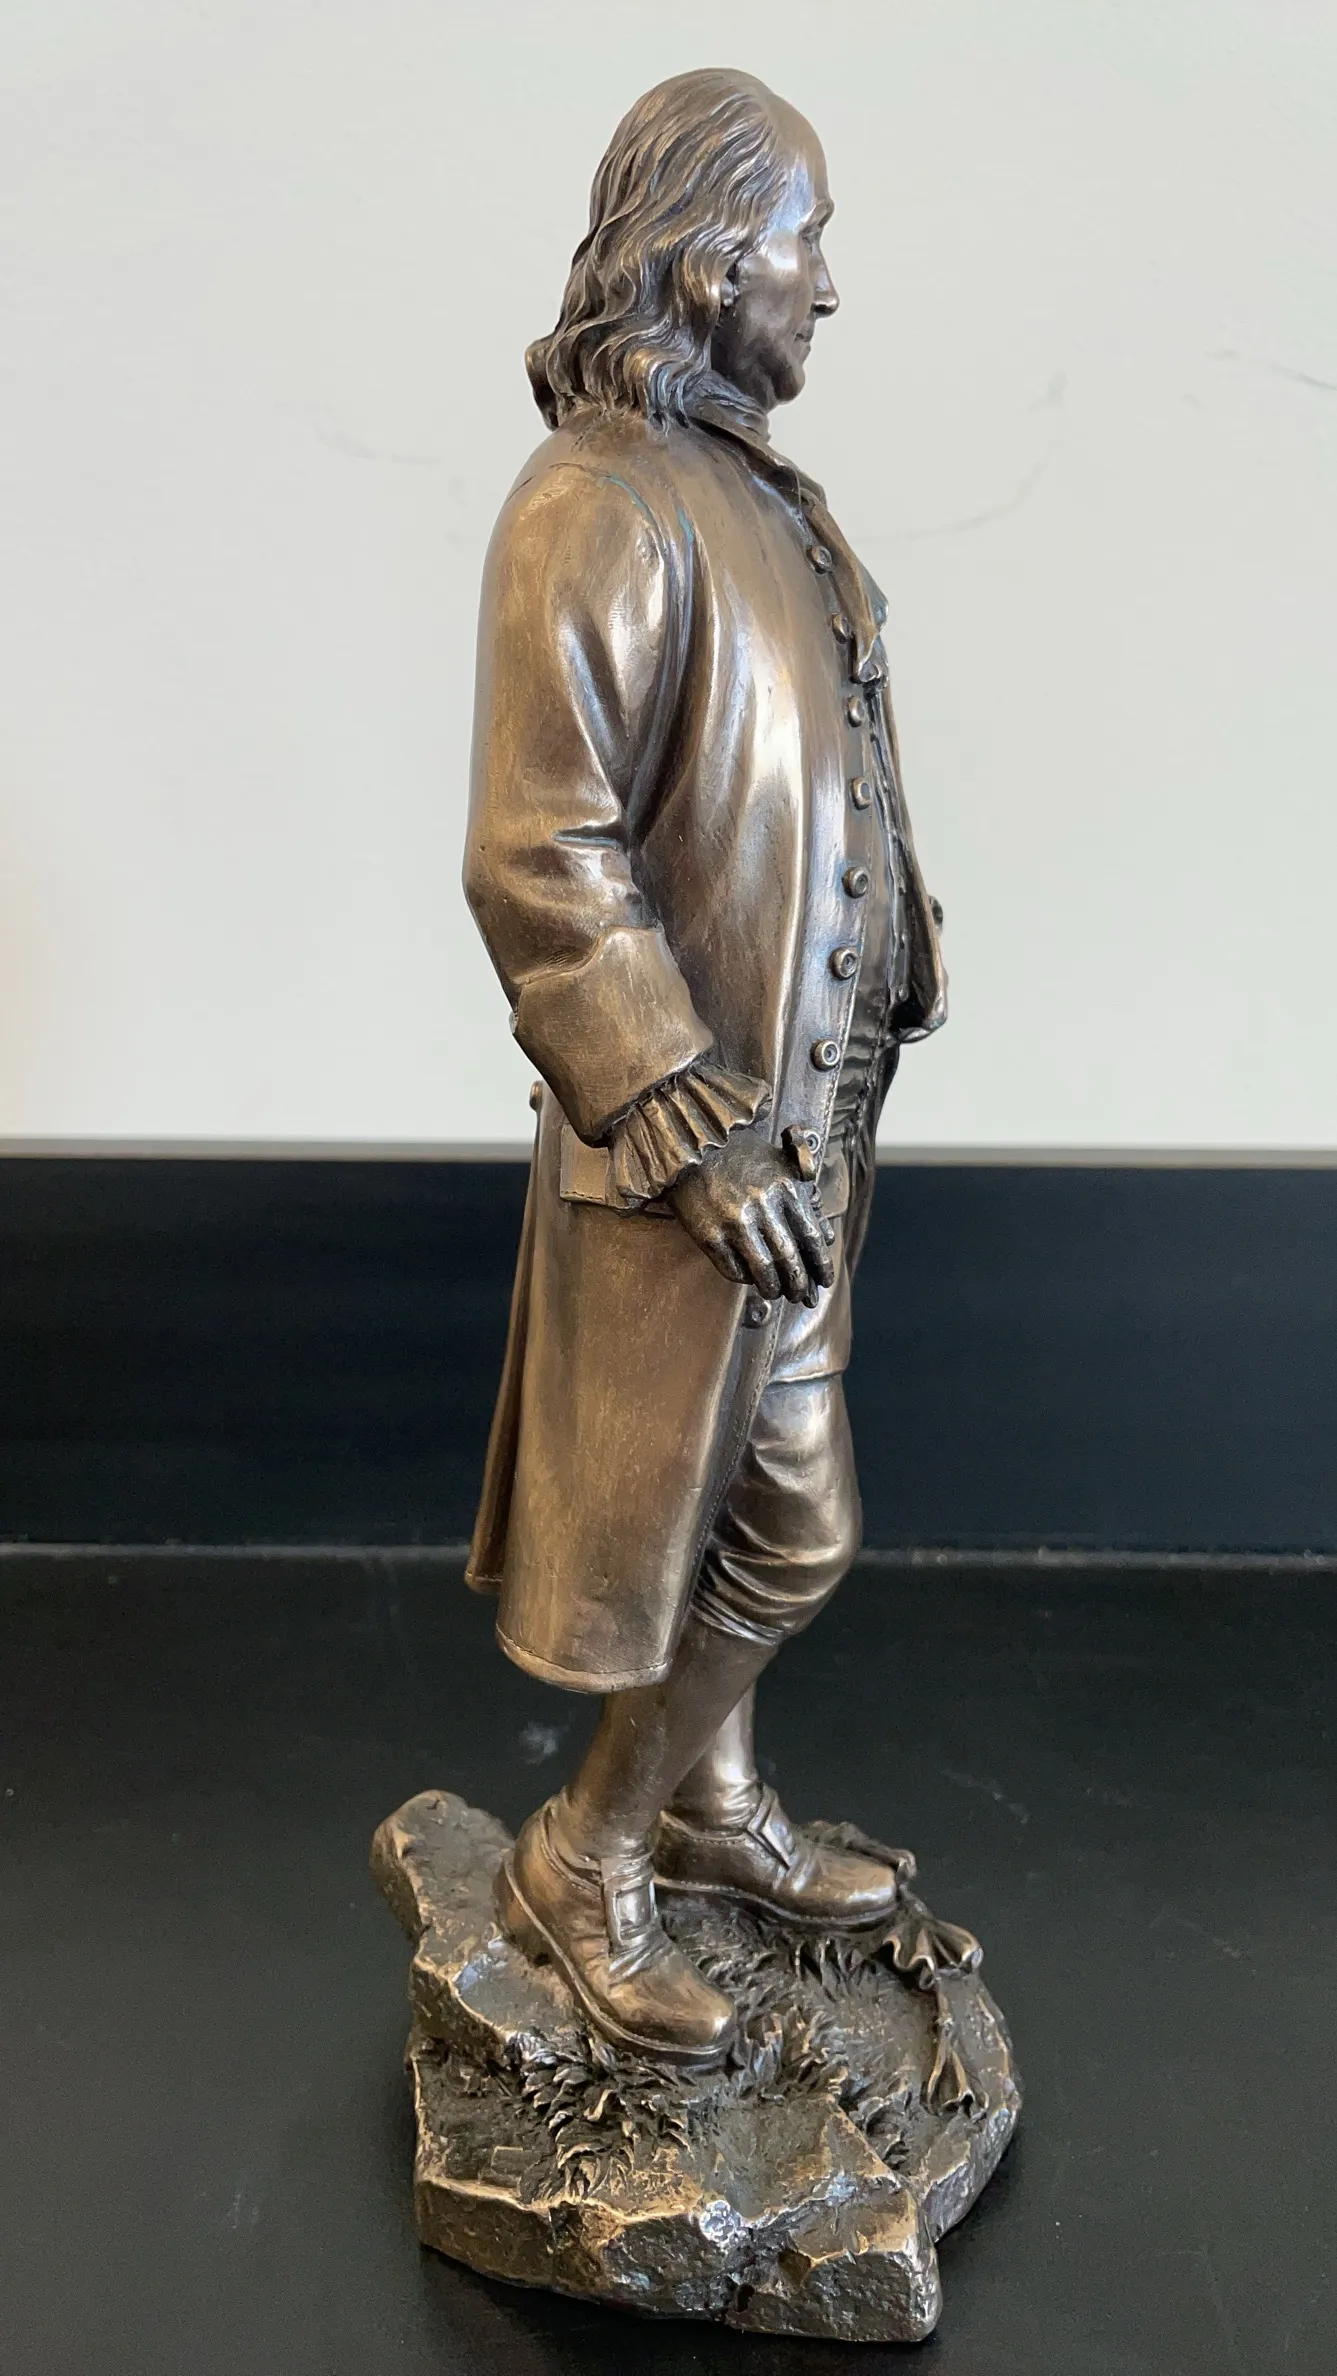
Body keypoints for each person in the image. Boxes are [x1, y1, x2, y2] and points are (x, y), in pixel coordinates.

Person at [464, 67, 947, 2066]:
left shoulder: (755, 496)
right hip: (695, 1158)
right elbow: (541, 856)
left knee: (744, 1495)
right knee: (775, 1520)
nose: (825, 285)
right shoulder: (593, 504)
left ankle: (709, 1803)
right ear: (701, 255)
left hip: (804, 1136)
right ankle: (586, 1849)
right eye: (802, 238)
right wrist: (682, 1112)